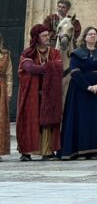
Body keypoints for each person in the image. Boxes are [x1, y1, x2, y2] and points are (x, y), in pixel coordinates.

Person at [60, 27, 97, 159]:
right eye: (90, 34)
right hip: (80, 92)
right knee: (82, 120)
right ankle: (80, 151)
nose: (92, 36)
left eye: (94, 34)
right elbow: (75, 71)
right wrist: (87, 86)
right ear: (84, 37)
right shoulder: (76, 54)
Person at [16, 23, 63, 161]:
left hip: (49, 93)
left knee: (48, 122)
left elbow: (60, 67)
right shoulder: (28, 53)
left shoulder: (54, 53)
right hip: (31, 93)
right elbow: (30, 69)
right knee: (29, 121)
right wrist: (49, 67)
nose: (47, 37)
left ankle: (47, 151)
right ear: (36, 37)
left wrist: (43, 67)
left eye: (48, 35)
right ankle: (26, 152)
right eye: (44, 36)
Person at [0, 35, 11, 158]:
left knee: (1, 118)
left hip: (1, 88)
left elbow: (9, 74)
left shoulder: (5, 55)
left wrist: (9, 92)